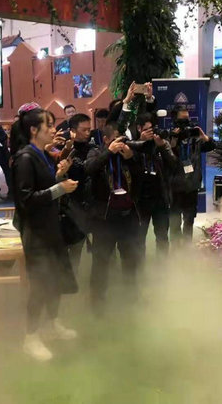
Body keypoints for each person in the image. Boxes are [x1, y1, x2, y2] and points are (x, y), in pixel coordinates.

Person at [12, 104, 79, 361]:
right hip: (36, 233)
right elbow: (26, 200)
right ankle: (30, 337)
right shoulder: (25, 158)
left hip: (51, 228)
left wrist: (58, 176)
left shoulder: (41, 154)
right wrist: (60, 188)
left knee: (55, 280)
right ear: (33, 130)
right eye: (48, 125)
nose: (54, 129)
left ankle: (52, 325)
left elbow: (43, 187)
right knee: (40, 285)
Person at [85, 121, 142, 315]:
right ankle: (97, 303)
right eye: (116, 139)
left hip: (128, 216)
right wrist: (109, 152)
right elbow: (89, 169)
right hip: (104, 219)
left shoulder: (127, 153)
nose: (120, 143)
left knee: (130, 260)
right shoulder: (96, 152)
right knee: (101, 262)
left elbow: (141, 178)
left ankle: (131, 300)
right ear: (106, 139)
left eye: (122, 139)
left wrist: (131, 159)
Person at [169, 105, 216, 246]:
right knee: (175, 222)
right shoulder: (170, 138)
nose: (186, 123)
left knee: (189, 221)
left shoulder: (195, 138)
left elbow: (212, 146)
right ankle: (176, 250)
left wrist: (204, 137)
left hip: (192, 185)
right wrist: (173, 142)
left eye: (187, 119)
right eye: (182, 120)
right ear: (175, 121)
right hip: (175, 186)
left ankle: (187, 250)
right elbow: (165, 157)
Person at [134, 113, 178, 256]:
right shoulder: (134, 144)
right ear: (139, 128)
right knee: (139, 238)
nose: (151, 133)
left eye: (152, 129)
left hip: (160, 197)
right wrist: (141, 142)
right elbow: (131, 164)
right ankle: (139, 266)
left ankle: (162, 265)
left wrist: (162, 147)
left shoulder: (162, 143)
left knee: (162, 236)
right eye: (147, 130)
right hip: (141, 199)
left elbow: (174, 165)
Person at [60, 113, 94, 270]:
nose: (87, 133)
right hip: (68, 206)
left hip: (87, 204)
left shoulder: (93, 149)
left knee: (81, 249)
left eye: (89, 129)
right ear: (73, 131)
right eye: (84, 130)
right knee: (67, 250)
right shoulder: (65, 150)